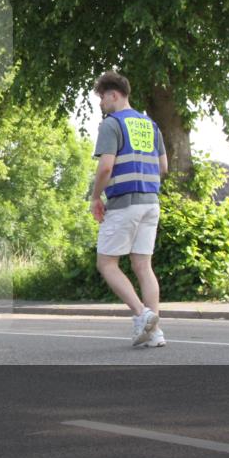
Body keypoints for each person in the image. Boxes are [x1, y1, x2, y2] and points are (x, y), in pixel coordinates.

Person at [89, 70, 169, 347]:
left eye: (102, 98)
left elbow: (106, 167)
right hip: (151, 202)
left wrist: (95, 197)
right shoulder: (151, 125)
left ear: (114, 95)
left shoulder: (112, 124)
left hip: (125, 203)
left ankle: (142, 314)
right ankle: (154, 333)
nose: (101, 104)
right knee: (143, 266)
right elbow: (164, 167)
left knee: (107, 263)